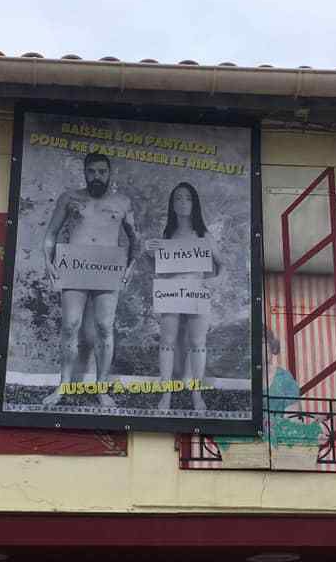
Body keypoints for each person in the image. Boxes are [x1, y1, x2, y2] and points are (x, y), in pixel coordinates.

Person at [42, 152, 137, 408]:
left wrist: (131, 267)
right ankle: (63, 385)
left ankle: (102, 388)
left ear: (109, 173)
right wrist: (48, 262)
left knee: (105, 327)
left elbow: (134, 239)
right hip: (75, 267)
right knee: (70, 325)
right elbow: (51, 234)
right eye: (92, 171)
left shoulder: (122, 202)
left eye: (102, 172)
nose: (97, 176)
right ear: (84, 172)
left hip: (108, 269)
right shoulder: (69, 198)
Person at [145, 182, 222, 413]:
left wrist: (215, 281)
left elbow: (223, 266)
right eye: (178, 198)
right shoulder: (167, 236)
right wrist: (148, 254)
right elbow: (157, 270)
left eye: (188, 198)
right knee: (167, 342)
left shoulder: (204, 235)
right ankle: (166, 394)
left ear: (194, 203)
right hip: (171, 292)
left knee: (197, 343)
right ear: (172, 204)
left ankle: (196, 395)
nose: (183, 202)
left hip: (197, 292)